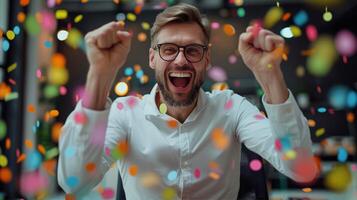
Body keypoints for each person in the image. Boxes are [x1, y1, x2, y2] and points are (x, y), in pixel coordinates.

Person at [58, 3, 318, 199]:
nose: (181, 60)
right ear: (152, 58)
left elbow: (301, 168)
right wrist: (99, 76)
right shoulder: (126, 113)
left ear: (206, 59)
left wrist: (269, 73)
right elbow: (74, 182)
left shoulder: (232, 108)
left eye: (193, 50)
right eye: (169, 49)